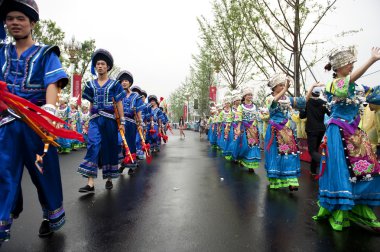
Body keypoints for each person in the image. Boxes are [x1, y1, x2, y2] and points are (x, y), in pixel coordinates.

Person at [0, 0, 69, 241]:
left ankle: (50, 215)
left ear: (32, 23)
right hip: (5, 124)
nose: (15, 23)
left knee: (44, 174)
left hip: (36, 123)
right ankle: (2, 223)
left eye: (20, 18)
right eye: (10, 18)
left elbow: (53, 82)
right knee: (3, 173)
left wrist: (48, 110)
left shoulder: (46, 53)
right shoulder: (1, 53)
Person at [313, 46, 380, 232]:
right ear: (340, 65)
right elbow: (346, 85)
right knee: (342, 170)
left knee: (369, 167)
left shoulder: (358, 87)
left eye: (353, 63)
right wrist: (371, 60)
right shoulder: (332, 85)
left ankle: (360, 208)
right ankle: (340, 209)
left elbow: (375, 94)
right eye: (349, 63)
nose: (351, 65)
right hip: (338, 133)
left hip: (355, 133)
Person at [78, 49, 126, 192]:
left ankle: (110, 178)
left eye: (102, 64)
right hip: (95, 120)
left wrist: (122, 122)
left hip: (110, 121)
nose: (99, 66)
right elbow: (91, 103)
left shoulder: (114, 84)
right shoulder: (90, 84)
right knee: (93, 145)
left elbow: (119, 103)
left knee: (109, 148)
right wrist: (88, 119)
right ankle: (90, 182)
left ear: (108, 67)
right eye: (97, 64)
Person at [264, 74, 303, 191]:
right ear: (274, 87)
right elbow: (272, 106)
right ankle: (276, 180)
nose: (283, 87)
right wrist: (285, 90)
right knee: (275, 156)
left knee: (290, 154)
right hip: (274, 131)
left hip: (286, 130)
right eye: (280, 85)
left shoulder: (287, 99)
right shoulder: (269, 99)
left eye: (284, 85)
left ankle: (292, 181)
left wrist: (312, 88)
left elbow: (302, 101)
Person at [117, 70, 143, 175]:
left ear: (130, 83)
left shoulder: (136, 96)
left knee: (131, 144)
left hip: (131, 123)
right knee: (120, 143)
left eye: (126, 81)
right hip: (120, 123)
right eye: (122, 81)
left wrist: (140, 124)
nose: (124, 82)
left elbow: (138, 111)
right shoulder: (118, 95)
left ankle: (132, 165)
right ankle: (123, 163)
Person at [300, 84, 329, 175]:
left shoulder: (307, 102)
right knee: (315, 150)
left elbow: (302, 116)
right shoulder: (324, 102)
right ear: (319, 92)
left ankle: (327, 163)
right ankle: (313, 170)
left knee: (312, 151)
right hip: (321, 129)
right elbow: (330, 113)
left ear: (311, 92)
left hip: (311, 129)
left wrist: (302, 109)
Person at [235, 87, 261, 172]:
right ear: (244, 96)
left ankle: (251, 165)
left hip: (253, 129)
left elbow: (257, 117)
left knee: (253, 146)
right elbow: (238, 118)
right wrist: (238, 128)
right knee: (244, 146)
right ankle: (242, 159)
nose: (250, 96)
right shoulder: (241, 107)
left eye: (251, 95)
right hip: (244, 128)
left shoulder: (254, 106)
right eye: (248, 95)